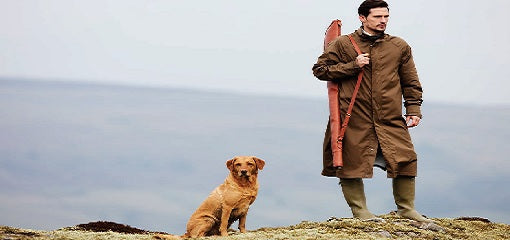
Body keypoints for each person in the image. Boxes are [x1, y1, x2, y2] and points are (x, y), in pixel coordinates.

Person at [312, 0, 430, 222]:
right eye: (377, 17)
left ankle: (406, 209)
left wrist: (413, 108)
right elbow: (320, 70)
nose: (383, 21)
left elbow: (410, 81)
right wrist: (352, 66)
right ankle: (361, 212)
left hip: (389, 117)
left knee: (405, 158)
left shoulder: (399, 46)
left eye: (386, 16)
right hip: (353, 116)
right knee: (349, 163)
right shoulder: (342, 44)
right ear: (362, 18)